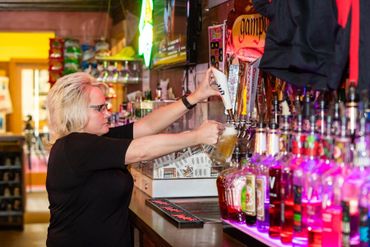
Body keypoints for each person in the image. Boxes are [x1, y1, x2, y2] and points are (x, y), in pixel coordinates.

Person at [45, 68, 224, 246]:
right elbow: (141, 150)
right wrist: (196, 137)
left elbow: (147, 127)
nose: (107, 113)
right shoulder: (72, 146)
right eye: (100, 108)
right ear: (75, 112)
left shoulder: (97, 140)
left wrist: (196, 96)